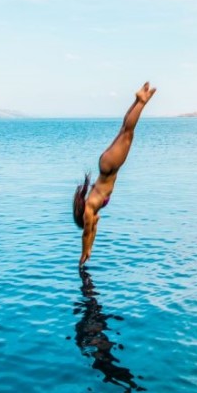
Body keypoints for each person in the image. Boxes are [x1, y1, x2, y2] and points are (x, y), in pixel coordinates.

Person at [73, 82, 156, 265]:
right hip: (107, 164)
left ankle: (141, 101)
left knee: (128, 133)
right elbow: (92, 231)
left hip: (109, 166)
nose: (92, 222)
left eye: (87, 223)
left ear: (84, 219)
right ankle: (138, 100)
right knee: (125, 131)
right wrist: (90, 250)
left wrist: (83, 253)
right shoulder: (92, 211)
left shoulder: (89, 211)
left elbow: (87, 232)